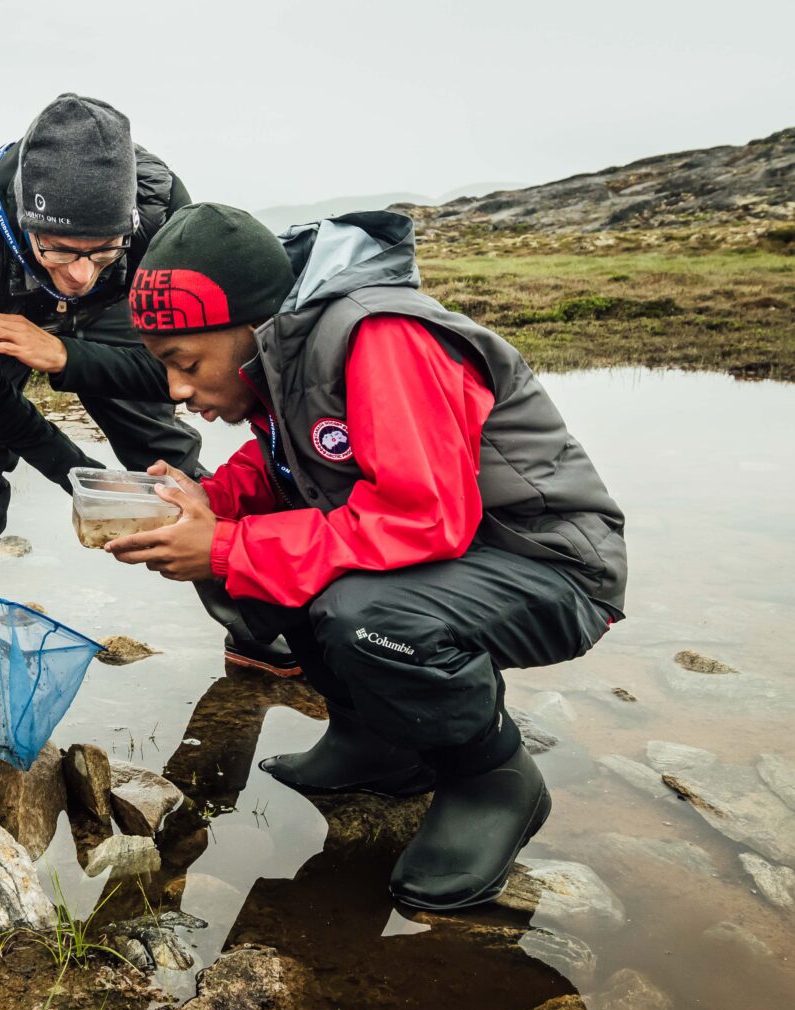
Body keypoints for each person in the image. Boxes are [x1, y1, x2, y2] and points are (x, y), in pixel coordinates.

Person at [106, 203, 626, 910]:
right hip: (459, 557)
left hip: (549, 565)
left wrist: (228, 545)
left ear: (250, 325)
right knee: (251, 557)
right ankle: (378, 744)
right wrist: (208, 503)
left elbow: (423, 516)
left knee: (359, 610)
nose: (176, 390)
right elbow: (291, 466)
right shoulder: (289, 348)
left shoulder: (383, 336)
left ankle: (492, 778)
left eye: (184, 363)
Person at [0, 93, 296, 698]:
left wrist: (66, 356)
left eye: (103, 249)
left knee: (163, 450)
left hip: (113, 313)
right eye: (58, 248)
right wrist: (84, 479)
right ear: (24, 220)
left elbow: (179, 374)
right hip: (3, 310)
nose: (80, 274)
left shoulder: (158, 206)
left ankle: (249, 621)